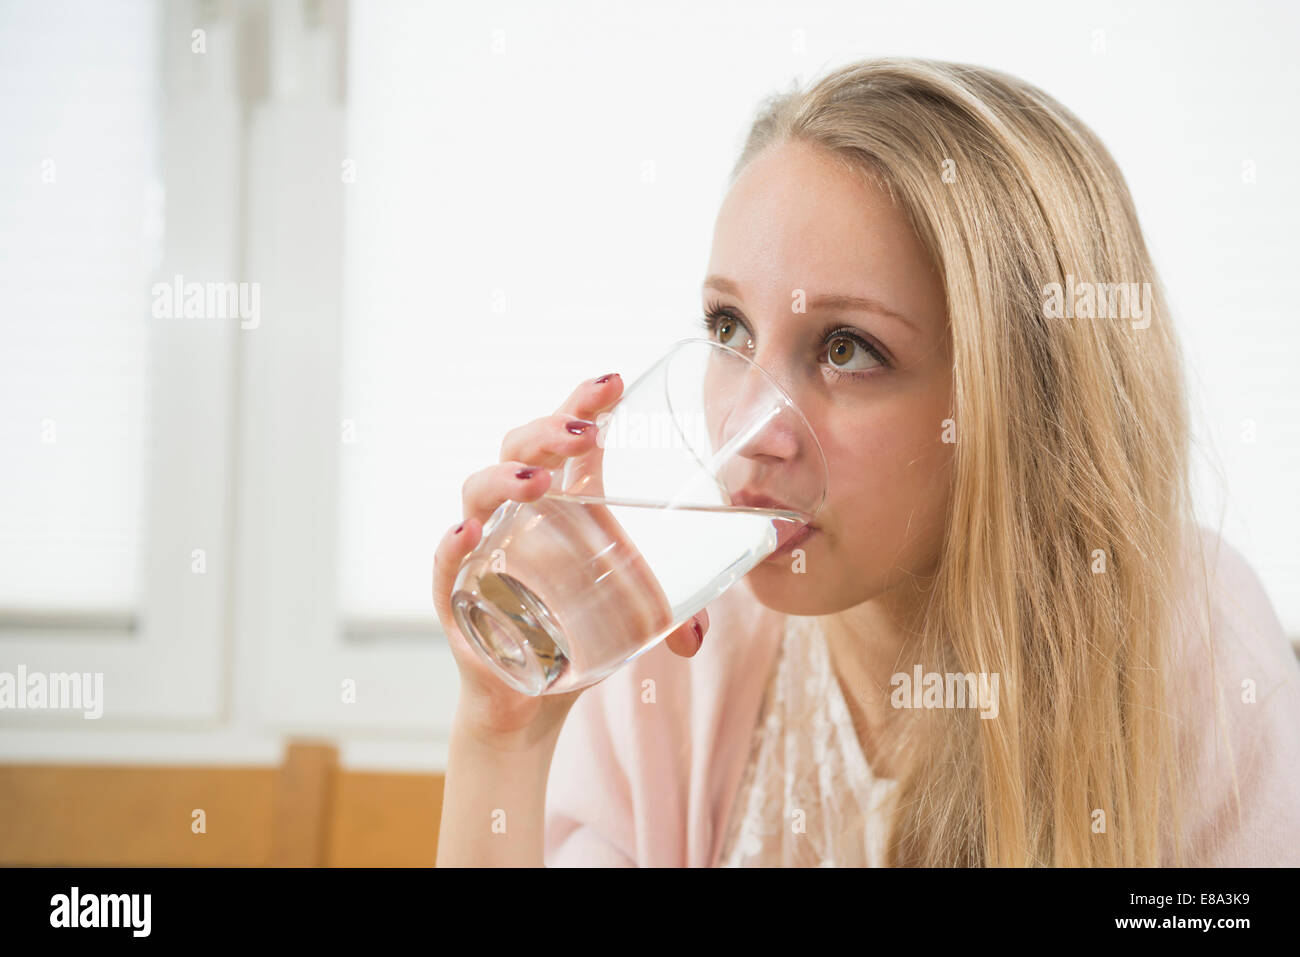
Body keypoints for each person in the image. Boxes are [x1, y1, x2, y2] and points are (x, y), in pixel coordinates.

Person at [431, 57, 1300, 867]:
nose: (747, 425)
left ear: (1024, 405)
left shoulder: (1195, 652)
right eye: (729, 330)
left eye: (847, 348)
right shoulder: (672, 634)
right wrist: (505, 734)